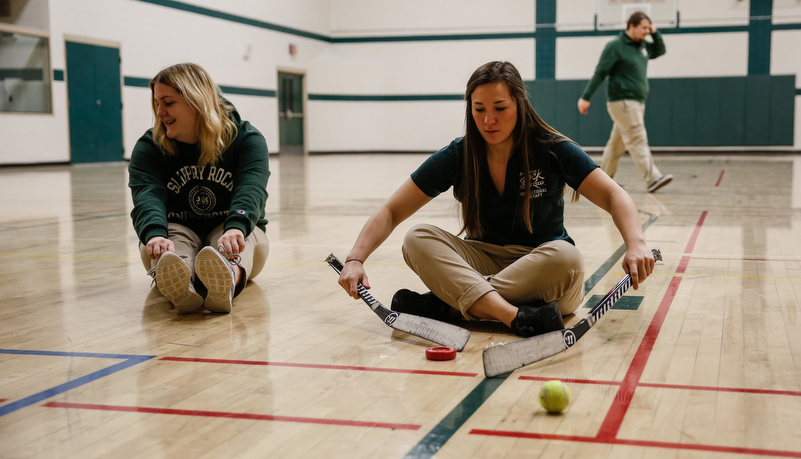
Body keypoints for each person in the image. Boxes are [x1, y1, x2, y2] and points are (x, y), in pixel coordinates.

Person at [337, 61, 655, 338]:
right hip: (485, 259)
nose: (489, 120)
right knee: (417, 238)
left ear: (519, 104)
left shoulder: (551, 148)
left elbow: (615, 194)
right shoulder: (459, 155)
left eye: (499, 108)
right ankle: (511, 316)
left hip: (544, 270)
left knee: (567, 258)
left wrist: (636, 241)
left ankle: (449, 306)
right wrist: (355, 259)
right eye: (479, 109)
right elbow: (393, 210)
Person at [128, 63, 270, 314]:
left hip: (231, 225)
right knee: (171, 246)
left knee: (234, 242)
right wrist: (154, 235)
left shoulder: (246, 139)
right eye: (157, 103)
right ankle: (181, 285)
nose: (160, 112)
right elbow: (146, 195)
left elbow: (252, 189)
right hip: (174, 227)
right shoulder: (150, 146)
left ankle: (226, 280)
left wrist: (237, 225)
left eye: (168, 102)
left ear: (197, 102)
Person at [578, 11, 672, 193]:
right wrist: (585, 97)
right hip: (623, 102)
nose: (647, 31)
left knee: (616, 145)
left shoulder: (642, 46)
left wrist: (654, 32)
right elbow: (600, 72)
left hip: (637, 102)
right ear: (631, 26)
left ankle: (602, 180)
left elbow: (660, 50)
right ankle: (653, 178)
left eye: (648, 28)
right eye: (644, 28)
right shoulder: (616, 46)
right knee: (638, 137)